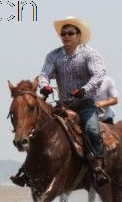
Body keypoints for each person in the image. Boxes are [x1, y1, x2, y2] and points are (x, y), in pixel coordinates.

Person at [11, 16, 109, 188]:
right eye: (63, 33)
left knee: (92, 130)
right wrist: (45, 86)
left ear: (79, 36)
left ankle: (98, 168)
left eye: (70, 33)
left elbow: (99, 74)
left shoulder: (90, 54)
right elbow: (44, 74)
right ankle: (26, 171)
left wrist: (84, 89)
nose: (66, 36)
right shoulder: (54, 55)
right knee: (40, 130)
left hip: (85, 103)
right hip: (64, 105)